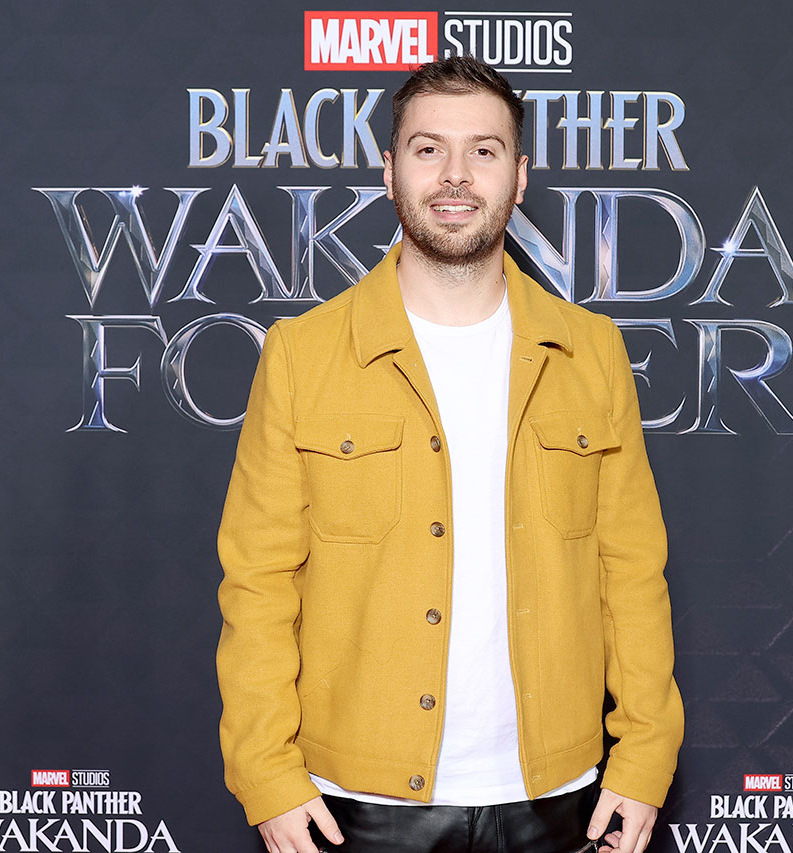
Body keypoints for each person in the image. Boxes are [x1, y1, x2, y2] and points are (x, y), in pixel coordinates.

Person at [216, 56, 682, 853]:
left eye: (484, 150)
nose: (455, 175)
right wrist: (266, 774)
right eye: (429, 149)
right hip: (355, 805)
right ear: (390, 170)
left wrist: (644, 759)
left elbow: (631, 575)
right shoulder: (302, 354)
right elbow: (259, 584)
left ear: (519, 176)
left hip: (558, 798)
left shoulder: (591, 351)